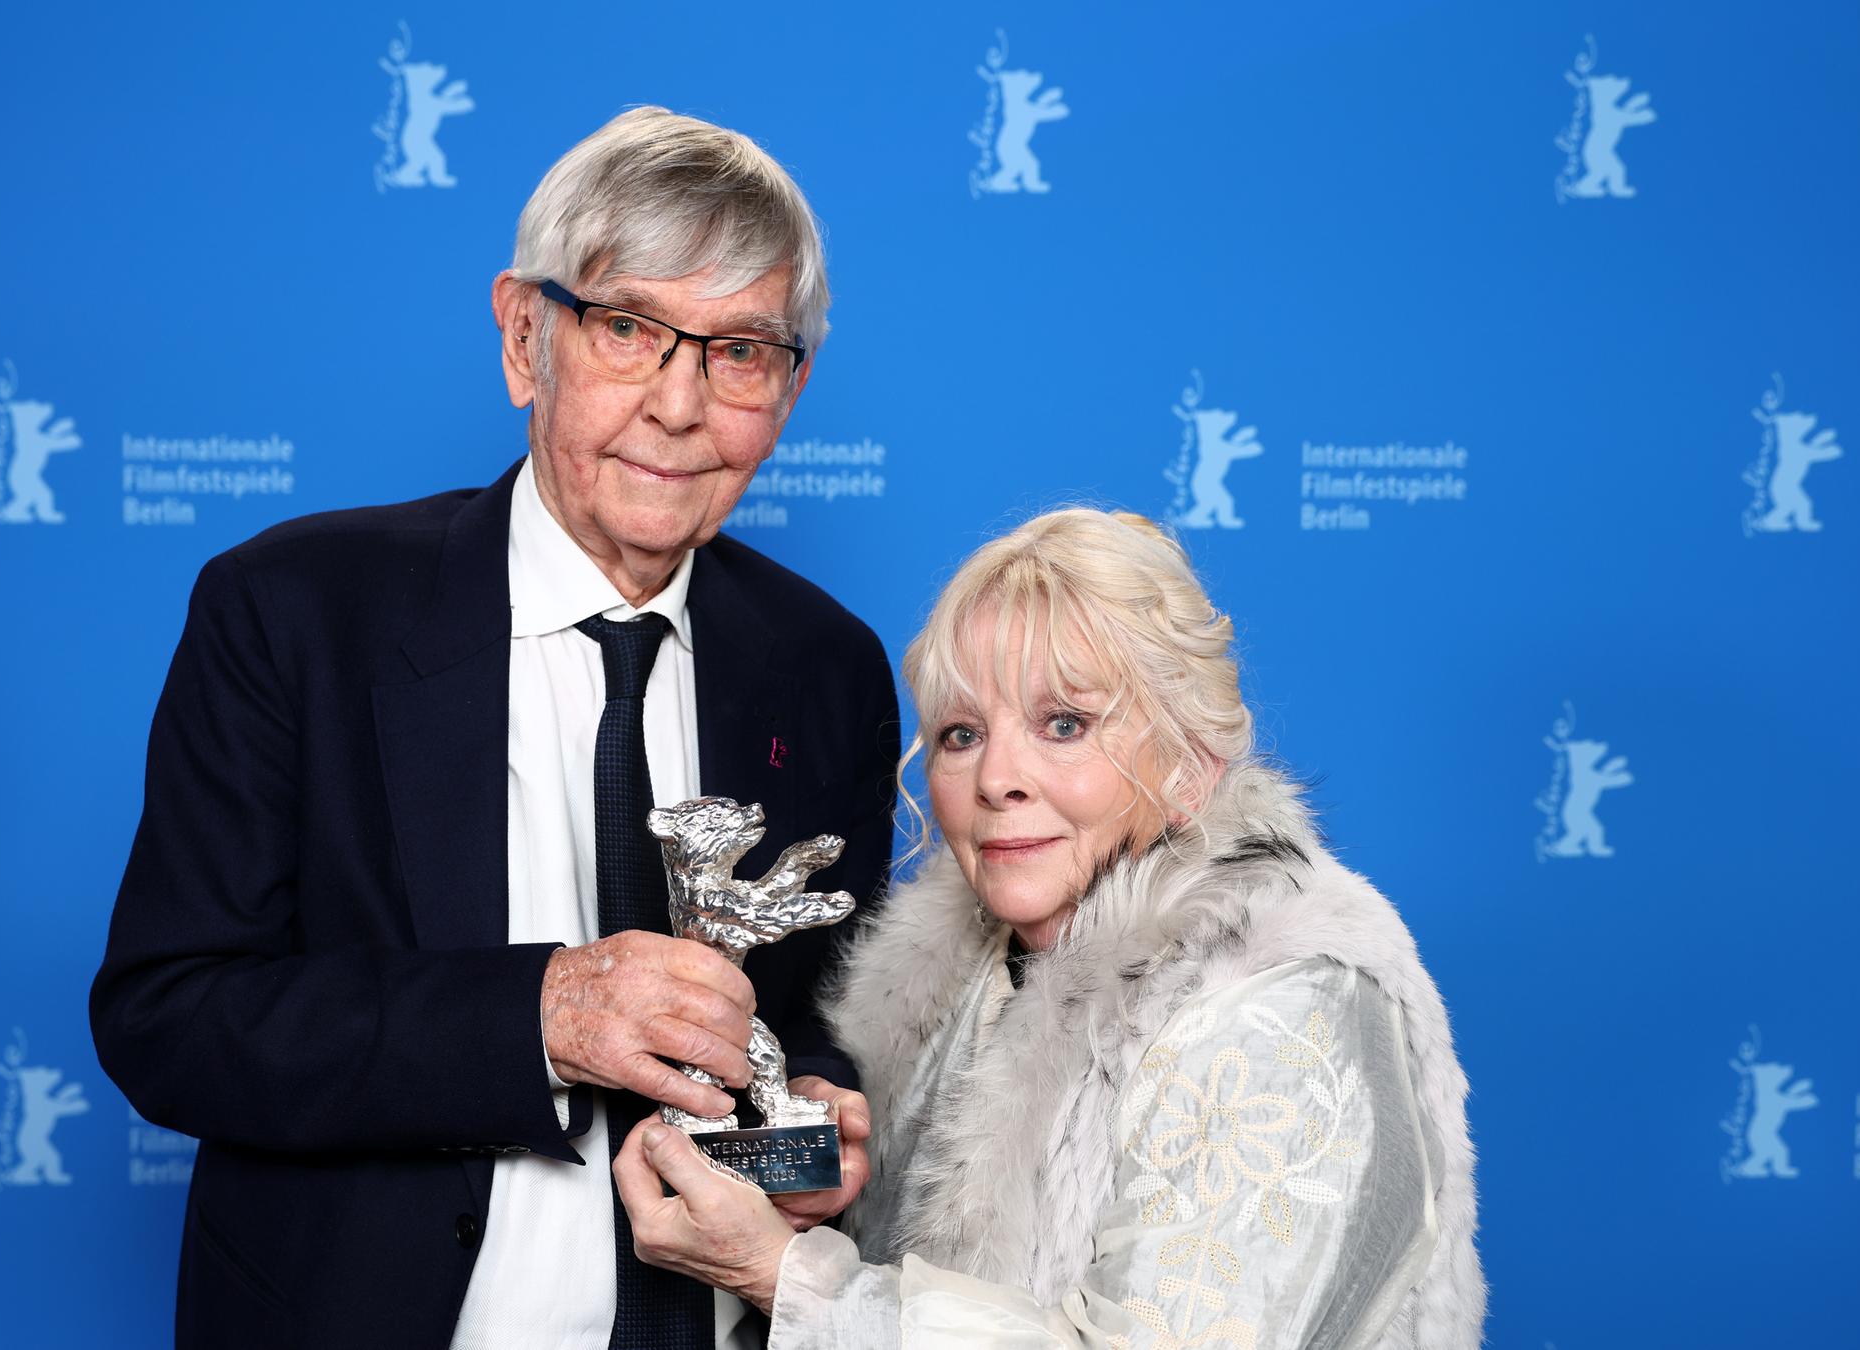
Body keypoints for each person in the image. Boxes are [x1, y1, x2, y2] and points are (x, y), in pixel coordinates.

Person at [89, 107, 898, 1350]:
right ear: (526, 339)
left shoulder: (826, 665)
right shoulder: (295, 612)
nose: (680, 404)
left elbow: (818, 1013)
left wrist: (820, 1124)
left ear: (788, 391)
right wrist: (541, 1017)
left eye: (739, 351)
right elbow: (172, 1019)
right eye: (628, 329)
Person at [615, 509, 1485, 1347]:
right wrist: (807, 1181)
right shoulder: (957, 972)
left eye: (1064, 724)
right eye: (961, 733)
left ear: (1191, 761)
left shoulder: (1286, 1001)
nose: (997, 778)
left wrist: (794, 1282)